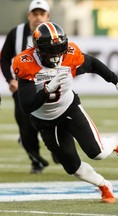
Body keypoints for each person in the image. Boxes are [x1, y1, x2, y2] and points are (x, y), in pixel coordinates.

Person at [12, 21, 118, 203]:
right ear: (38, 49)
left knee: (98, 153)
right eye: (51, 49)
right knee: (72, 166)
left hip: (68, 108)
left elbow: (93, 64)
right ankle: (104, 185)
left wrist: (116, 81)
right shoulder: (25, 63)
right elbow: (26, 106)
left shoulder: (70, 55)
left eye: (59, 48)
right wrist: (47, 90)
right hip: (45, 120)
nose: (57, 54)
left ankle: (116, 143)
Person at [1, 0, 51, 174]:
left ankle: (59, 152)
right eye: (35, 14)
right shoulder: (17, 33)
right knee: (25, 126)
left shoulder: (55, 33)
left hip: (48, 87)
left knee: (55, 120)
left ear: (47, 16)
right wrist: (10, 80)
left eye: (41, 14)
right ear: (29, 15)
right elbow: (5, 58)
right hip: (22, 88)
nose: (38, 17)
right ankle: (36, 160)